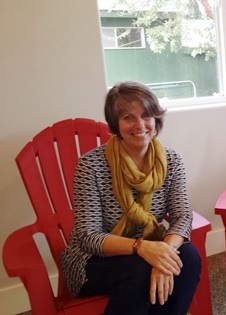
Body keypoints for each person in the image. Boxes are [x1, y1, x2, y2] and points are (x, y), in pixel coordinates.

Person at [61, 81, 201, 315]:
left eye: (147, 115)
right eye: (128, 117)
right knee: (138, 268)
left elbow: (182, 215)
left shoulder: (172, 160)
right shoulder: (90, 166)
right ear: (115, 124)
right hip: (93, 259)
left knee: (188, 256)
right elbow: (88, 236)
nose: (140, 125)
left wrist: (163, 255)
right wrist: (142, 248)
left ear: (156, 119)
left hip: (152, 247)